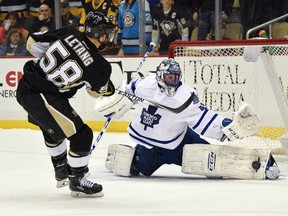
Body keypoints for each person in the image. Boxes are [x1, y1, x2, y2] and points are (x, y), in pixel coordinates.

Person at [96, 59, 280, 180]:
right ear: (160, 77)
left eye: (176, 78)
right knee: (137, 169)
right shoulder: (146, 84)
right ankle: (124, 157)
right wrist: (113, 103)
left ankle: (266, 164)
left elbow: (204, 118)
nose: (173, 82)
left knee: (213, 162)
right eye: (169, 77)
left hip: (180, 143)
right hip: (150, 148)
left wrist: (229, 126)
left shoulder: (185, 96)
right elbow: (127, 92)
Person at [16, 11, 116, 197]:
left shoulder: (70, 32)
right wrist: (107, 88)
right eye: (107, 32)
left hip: (26, 86)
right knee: (82, 135)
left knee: (53, 127)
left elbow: (32, 43)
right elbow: (94, 92)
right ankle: (77, 180)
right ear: (101, 33)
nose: (108, 37)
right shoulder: (101, 66)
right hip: (43, 96)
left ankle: (61, 169)